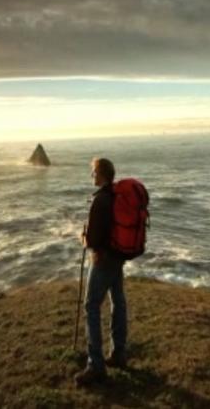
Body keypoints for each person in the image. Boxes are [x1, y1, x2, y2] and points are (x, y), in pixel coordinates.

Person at [74, 157, 128, 386]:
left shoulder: (100, 201)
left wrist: (84, 238)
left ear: (102, 174)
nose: (91, 176)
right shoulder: (116, 196)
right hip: (118, 257)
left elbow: (94, 239)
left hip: (103, 259)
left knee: (91, 306)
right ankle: (118, 353)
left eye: (93, 172)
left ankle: (96, 366)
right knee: (118, 302)